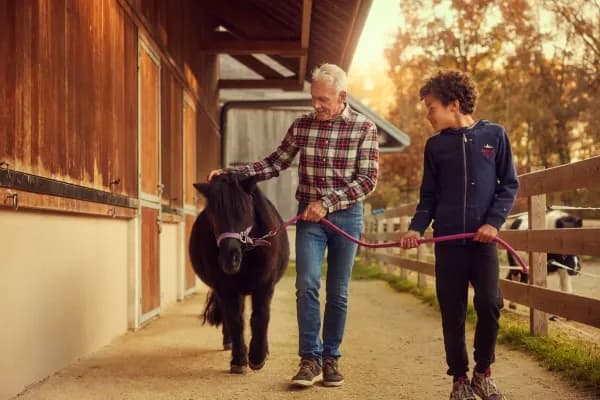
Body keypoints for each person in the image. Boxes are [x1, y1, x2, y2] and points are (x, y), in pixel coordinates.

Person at [207, 63, 379, 388]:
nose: (316, 105)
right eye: (313, 98)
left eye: (323, 99)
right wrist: (233, 175)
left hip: (345, 217)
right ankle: (309, 360)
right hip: (309, 220)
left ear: (342, 96)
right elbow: (275, 162)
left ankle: (331, 359)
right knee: (307, 285)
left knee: (338, 292)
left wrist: (326, 204)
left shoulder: (363, 128)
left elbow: (367, 180)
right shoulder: (302, 125)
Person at [399, 70, 518, 400]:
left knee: (490, 304)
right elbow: (428, 197)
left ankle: (483, 373)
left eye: (431, 106)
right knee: (452, 311)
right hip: (449, 244)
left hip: (483, 243)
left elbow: (509, 185)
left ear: (453, 104)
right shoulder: (435, 147)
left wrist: (493, 222)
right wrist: (414, 229)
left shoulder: (495, 136)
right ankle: (459, 380)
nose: (427, 114)